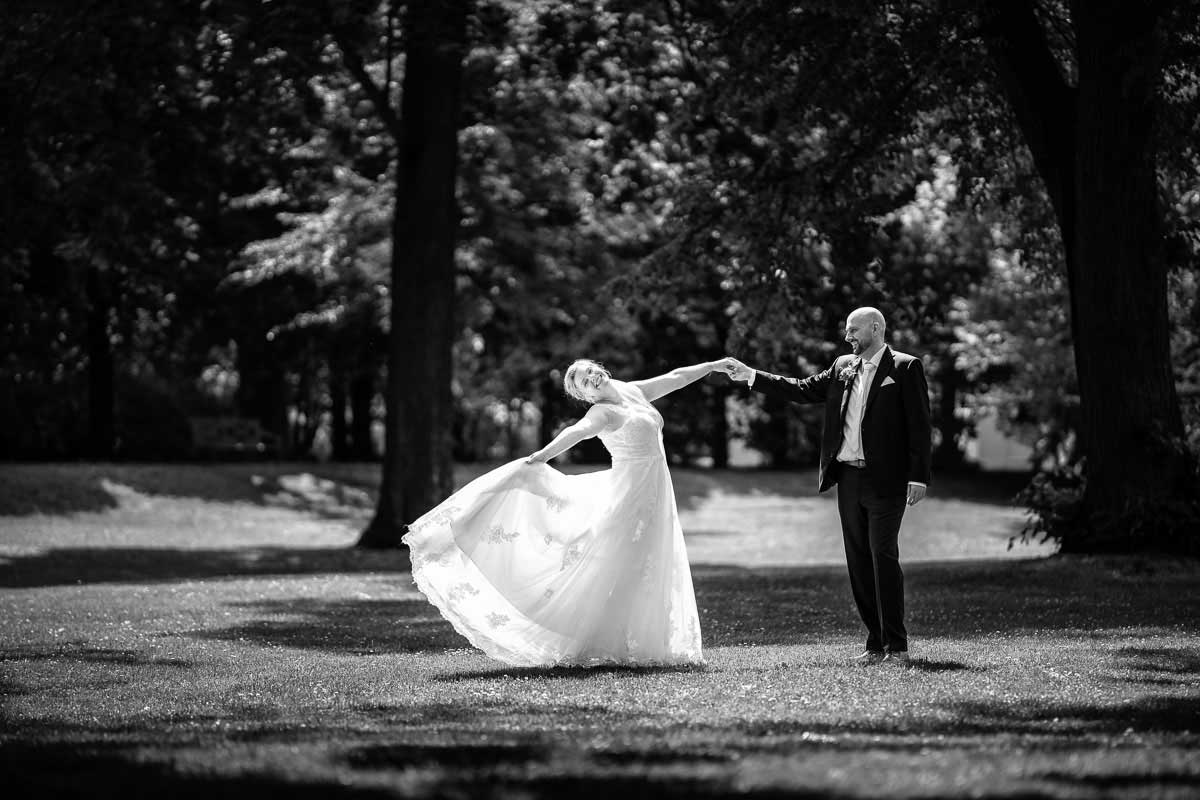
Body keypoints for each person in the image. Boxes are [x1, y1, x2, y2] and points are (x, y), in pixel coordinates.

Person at [402, 358, 721, 668]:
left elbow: (676, 376)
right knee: (622, 564)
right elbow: (577, 432)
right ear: (586, 396)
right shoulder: (602, 412)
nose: (592, 376)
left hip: (656, 491)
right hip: (630, 496)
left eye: (591, 370)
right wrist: (543, 455)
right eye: (584, 381)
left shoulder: (631, 391)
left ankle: (644, 641)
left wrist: (713, 366)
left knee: (650, 561)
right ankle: (603, 640)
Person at [719, 307, 932, 666]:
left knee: (883, 556)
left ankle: (898, 645)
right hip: (847, 478)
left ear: (876, 328)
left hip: (887, 480)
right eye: (847, 331)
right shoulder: (841, 366)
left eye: (854, 331)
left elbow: (920, 425)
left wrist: (918, 476)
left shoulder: (905, 367)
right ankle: (875, 643)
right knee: (858, 560)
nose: (848, 337)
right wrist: (752, 375)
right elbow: (801, 390)